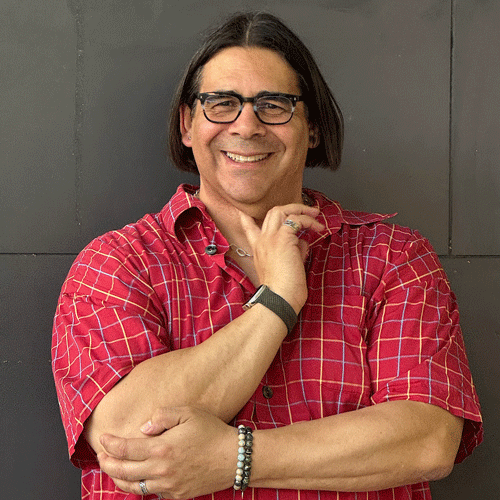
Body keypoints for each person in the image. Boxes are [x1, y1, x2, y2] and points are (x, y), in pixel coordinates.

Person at [52, 11, 483, 500]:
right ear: (187, 124)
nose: (246, 125)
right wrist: (277, 299)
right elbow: (123, 437)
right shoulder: (117, 263)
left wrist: (233, 458)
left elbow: (428, 440)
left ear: (312, 126)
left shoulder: (392, 257)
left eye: (273, 105)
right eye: (221, 103)